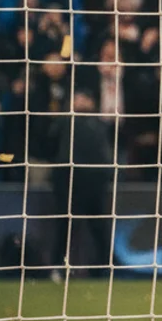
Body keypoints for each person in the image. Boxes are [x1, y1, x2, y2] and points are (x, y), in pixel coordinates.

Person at [49, 91, 115, 281]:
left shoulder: (101, 124)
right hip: (68, 177)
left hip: (95, 179)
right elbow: (49, 144)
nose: (82, 101)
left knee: (99, 225)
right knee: (65, 223)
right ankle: (57, 267)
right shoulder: (63, 122)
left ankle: (104, 267)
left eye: (85, 97)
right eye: (77, 98)